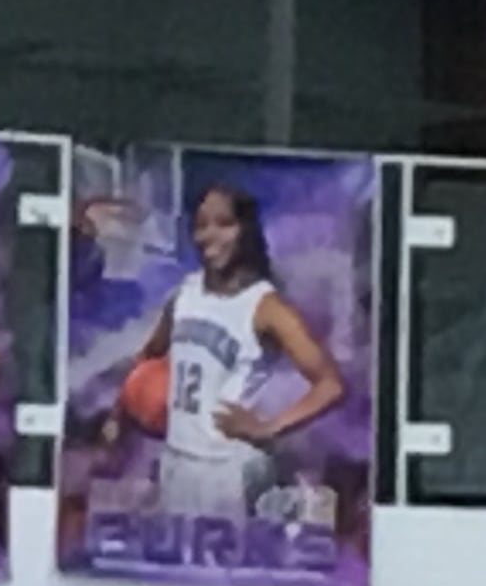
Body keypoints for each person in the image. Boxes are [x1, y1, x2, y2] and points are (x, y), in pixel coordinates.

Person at [112, 184, 344, 530]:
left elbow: (330, 384)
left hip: (226, 467)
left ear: (246, 230)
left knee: (221, 577)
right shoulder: (185, 294)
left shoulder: (266, 306)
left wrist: (268, 428)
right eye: (202, 224)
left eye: (223, 223)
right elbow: (147, 357)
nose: (209, 235)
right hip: (176, 459)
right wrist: (119, 414)